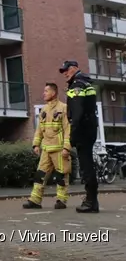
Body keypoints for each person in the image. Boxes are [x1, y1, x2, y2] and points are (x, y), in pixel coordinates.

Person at [23, 82, 71, 210]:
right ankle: (35, 200)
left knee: (61, 176)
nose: (43, 93)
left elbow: (68, 129)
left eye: (46, 91)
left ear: (53, 93)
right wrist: (35, 144)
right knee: (40, 175)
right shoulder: (44, 109)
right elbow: (40, 129)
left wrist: (67, 147)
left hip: (59, 149)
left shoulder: (64, 108)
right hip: (46, 149)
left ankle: (61, 200)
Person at [60, 60, 99, 213]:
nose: (64, 73)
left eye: (66, 70)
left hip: (82, 130)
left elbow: (77, 113)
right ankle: (92, 200)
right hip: (90, 128)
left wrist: (73, 135)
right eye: (63, 71)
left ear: (75, 68)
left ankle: (90, 201)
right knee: (88, 164)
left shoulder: (77, 85)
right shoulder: (86, 82)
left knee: (86, 167)